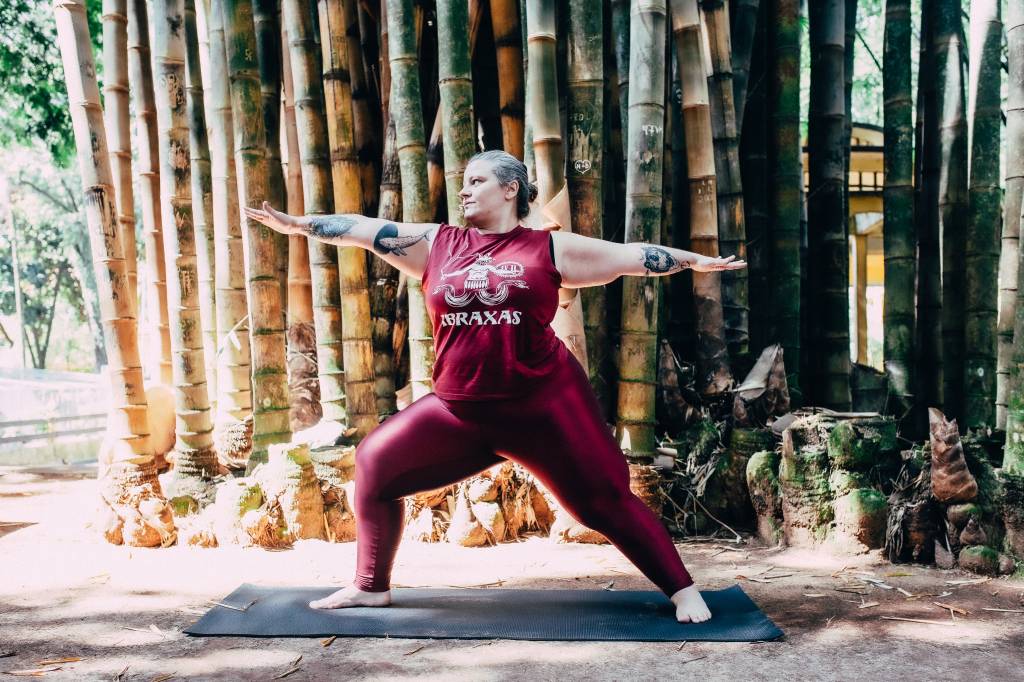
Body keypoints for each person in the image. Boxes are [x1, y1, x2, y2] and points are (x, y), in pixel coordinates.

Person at [243, 150, 746, 623]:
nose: (464, 192)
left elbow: (632, 256)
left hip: (543, 406)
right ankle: (371, 585)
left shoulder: (550, 247)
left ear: (511, 189)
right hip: (460, 410)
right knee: (376, 460)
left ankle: (683, 590)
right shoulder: (436, 245)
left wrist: (693, 260)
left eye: (476, 181)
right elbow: (363, 230)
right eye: (463, 183)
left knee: (600, 501)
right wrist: (300, 225)